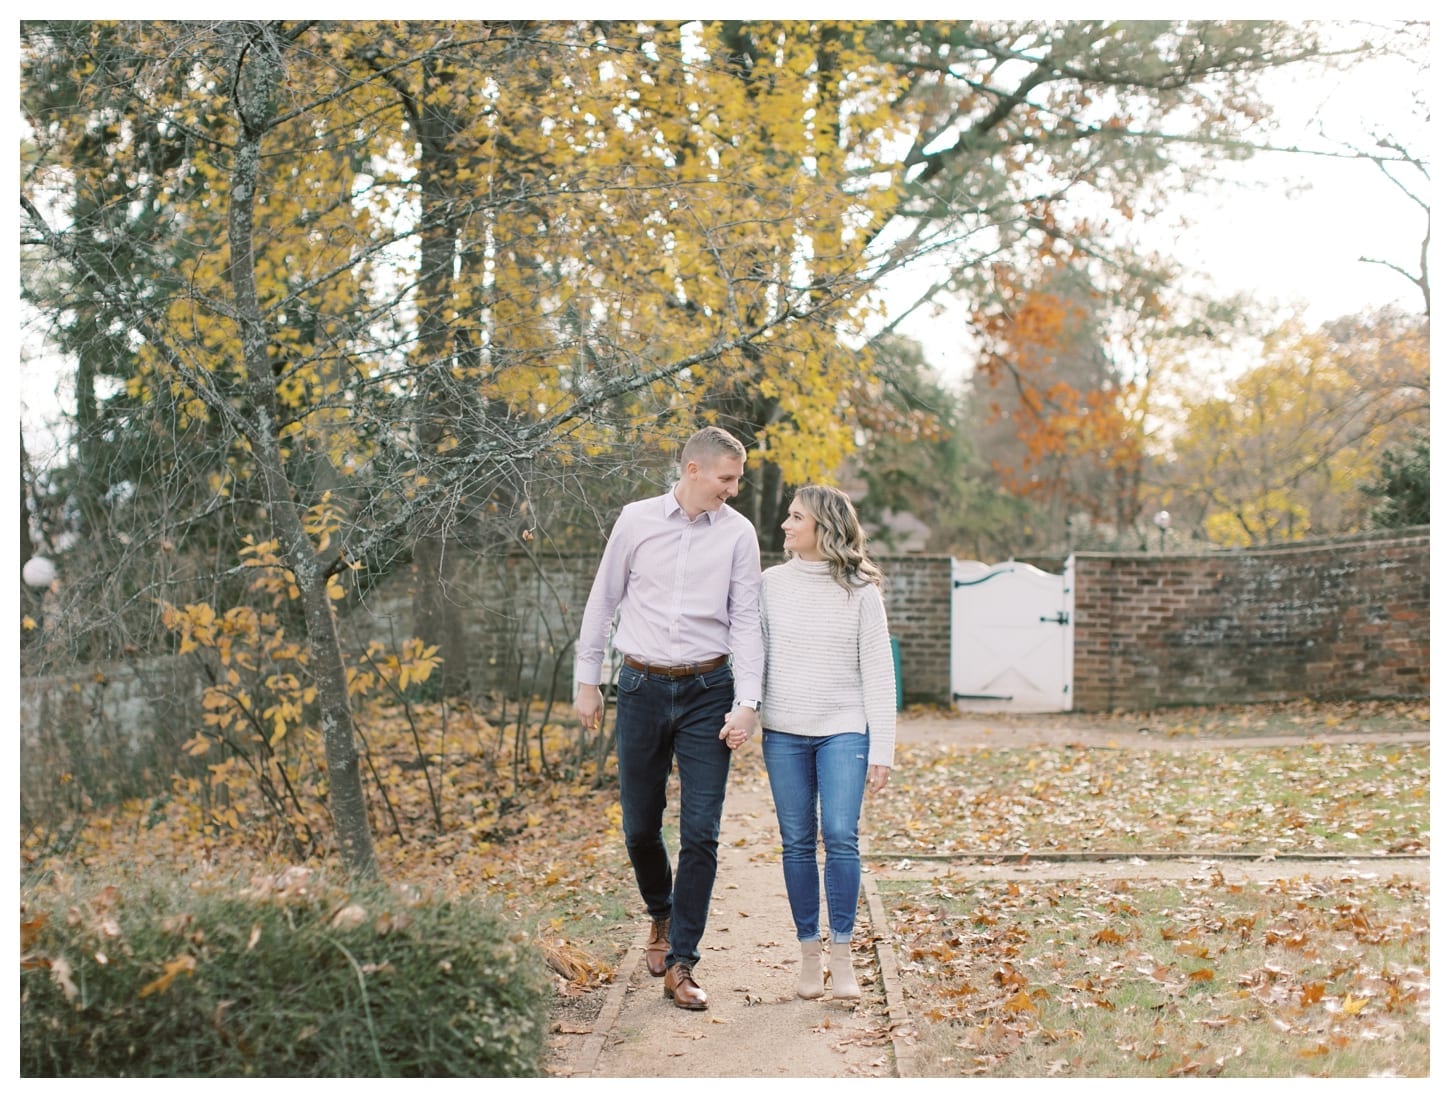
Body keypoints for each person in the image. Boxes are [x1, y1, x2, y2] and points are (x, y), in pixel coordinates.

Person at [574, 426, 764, 1012]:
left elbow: (746, 621)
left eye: (737, 479)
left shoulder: (739, 534)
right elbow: (603, 599)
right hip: (639, 686)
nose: (733, 490)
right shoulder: (635, 520)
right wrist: (588, 680)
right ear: (692, 471)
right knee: (639, 826)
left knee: (701, 832)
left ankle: (682, 960)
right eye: (726, 479)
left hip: (711, 690)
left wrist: (748, 702)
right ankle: (661, 912)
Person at [745, 484, 896, 1001]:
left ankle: (843, 956)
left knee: (840, 834)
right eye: (787, 517)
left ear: (824, 528)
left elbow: (879, 673)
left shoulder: (860, 591)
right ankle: (809, 954)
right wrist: (746, 709)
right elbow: (751, 655)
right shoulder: (769, 584)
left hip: (843, 729)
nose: (785, 526)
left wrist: (883, 750)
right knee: (796, 842)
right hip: (785, 731)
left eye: (795, 518)